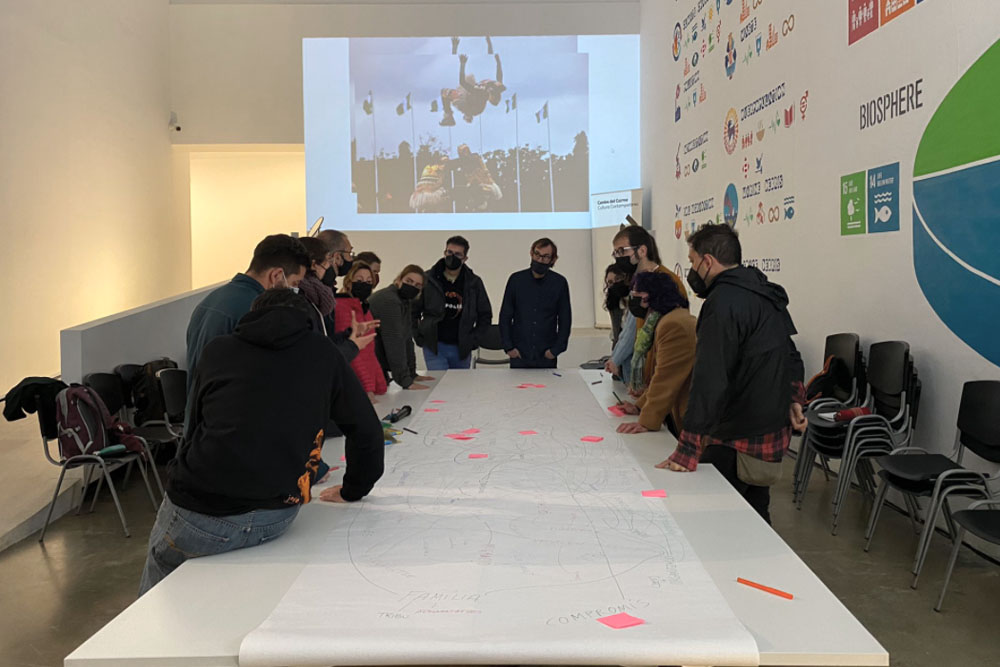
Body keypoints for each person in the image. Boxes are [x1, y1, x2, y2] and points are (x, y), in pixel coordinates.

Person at [140, 289, 385, 595]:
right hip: (277, 513)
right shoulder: (323, 353)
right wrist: (353, 490)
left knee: (160, 581)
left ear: (253, 313)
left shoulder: (219, 349)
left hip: (199, 511)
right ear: (306, 319)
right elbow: (367, 430)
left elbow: (196, 422)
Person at [663, 224, 806, 524]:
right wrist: (794, 398)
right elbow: (790, 353)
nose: (691, 270)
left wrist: (688, 445)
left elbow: (710, 377)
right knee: (755, 514)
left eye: (692, 261)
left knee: (712, 520)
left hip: (736, 432)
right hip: (771, 427)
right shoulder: (766, 292)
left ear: (708, 261)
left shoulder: (721, 303)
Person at [185, 234, 309, 382]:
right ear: (276, 276)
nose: (295, 290)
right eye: (295, 283)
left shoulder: (209, 300)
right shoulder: (259, 313)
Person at [615, 271, 696, 438]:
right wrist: (639, 406)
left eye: (635, 293)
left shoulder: (673, 324)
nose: (632, 298)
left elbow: (665, 378)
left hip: (690, 414)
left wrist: (646, 421)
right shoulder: (664, 320)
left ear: (647, 297)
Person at [414, 236, 492, 370]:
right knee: (439, 382)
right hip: (434, 346)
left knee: (460, 383)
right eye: (449, 252)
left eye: (458, 254)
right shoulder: (428, 279)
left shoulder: (474, 282)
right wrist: (419, 336)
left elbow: (485, 314)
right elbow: (413, 310)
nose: (452, 257)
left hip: (461, 348)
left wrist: (473, 340)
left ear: (465, 258)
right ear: (444, 252)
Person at [499, 238, 572, 369]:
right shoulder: (516, 280)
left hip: (546, 354)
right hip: (519, 353)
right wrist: (509, 347)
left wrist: (555, 350)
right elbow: (505, 316)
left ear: (553, 259)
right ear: (531, 253)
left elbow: (565, 319)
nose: (540, 260)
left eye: (545, 257)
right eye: (537, 254)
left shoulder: (559, 283)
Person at [315, 229, 378, 362]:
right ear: (337, 257)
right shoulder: (322, 295)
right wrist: (352, 345)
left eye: (369, 281)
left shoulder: (326, 292)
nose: (351, 258)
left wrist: (349, 333)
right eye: (349, 253)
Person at [369, 265, 435, 391]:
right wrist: (405, 381)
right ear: (399, 279)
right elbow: (394, 341)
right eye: (409, 281)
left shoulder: (404, 301)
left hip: (377, 362)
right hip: (367, 361)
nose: (412, 286)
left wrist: (412, 374)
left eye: (417, 285)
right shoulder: (390, 300)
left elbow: (407, 338)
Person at [334, 263, 387, 402]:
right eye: (359, 280)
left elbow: (370, 351)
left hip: (367, 386)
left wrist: (380, 383)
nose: (364, 284)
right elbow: (351, 353)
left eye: (369, 282)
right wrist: (367, 388)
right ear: (349, 282)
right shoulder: (341, 307)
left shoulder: (364, 308)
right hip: (354, 386)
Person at [440, 53, 505, 126]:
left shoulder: (481, 93)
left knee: (445, 93)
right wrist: (498, 62)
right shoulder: (496, 87)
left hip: (470, 105)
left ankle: (451, 117)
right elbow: (499, 76)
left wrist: (462, 64)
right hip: (475, 103)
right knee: (468, 84)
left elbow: (462, 82)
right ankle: (464, 115)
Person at [296, 236, 338, 334]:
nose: (329, 265)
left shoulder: (313, 295)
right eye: (327, 260)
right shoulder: (301, 297)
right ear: (314, 264)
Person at [453, 144, 502, 211]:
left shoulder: (475, 157)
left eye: (465, 150)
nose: (464, 153)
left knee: (494, 191)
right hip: (473, 183)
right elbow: (466, 175)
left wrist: (488, 177)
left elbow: (484, 168)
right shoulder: (462, 163)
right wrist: (470, 180)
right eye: (462, 152)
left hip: (483, 179)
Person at [603, 264, 631, 348]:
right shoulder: (613, 303)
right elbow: (615, 334)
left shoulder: (634, 300)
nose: (614, 284)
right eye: (610, 282)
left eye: (617, 279)